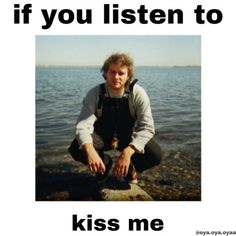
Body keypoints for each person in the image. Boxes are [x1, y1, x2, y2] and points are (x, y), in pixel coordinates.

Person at [68, 53, 162, 184]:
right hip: (103, 136)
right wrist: (90, 151)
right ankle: (104, 165)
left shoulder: (138, 94)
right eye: (112, 72)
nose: (116, 77)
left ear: (128, 75)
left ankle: (129, 168)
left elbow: (147, 128)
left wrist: (128, 153)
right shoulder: (95, 93)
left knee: (155, 155)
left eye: (121, 73)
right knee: (76, 148)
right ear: (105, 73)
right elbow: (82, 126)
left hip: (127, 136)